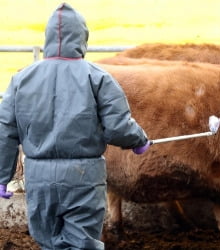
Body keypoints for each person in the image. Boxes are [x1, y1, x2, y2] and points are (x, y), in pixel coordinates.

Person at [0, 2, 150, 249]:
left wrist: (3, 176)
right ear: (83, 37)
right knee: (83, 242)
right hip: (84, 177)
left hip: (39, 176)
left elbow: (5, 130)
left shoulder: (21, 79)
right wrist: (139, 140)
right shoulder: (98, 78)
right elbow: (118, 127)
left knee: (48, 240)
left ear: (48, 37)